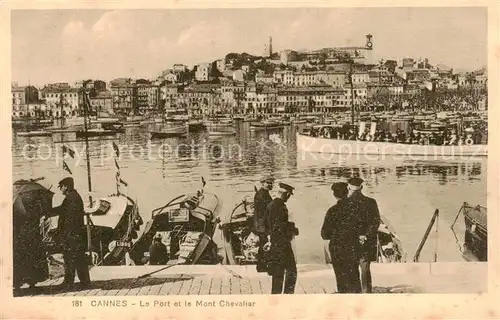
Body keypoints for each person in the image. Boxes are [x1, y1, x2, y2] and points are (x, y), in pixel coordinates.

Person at [49, 177, 91, 290]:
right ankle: (84, 282)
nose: (60, 189)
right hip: (76, 233)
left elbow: (65, 214)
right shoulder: (74, 197)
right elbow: (62, 210)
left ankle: (69, 283)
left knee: (70, 258)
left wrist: (47, 212)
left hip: (71, 234)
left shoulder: (71, 198)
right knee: (79, 258)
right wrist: (50, 211)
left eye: (61, 186)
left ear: (66, 186)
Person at [321, 182, 362, 293]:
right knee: (354, 275)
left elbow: (324, 234)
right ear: (347, 192)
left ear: (335, 195)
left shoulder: (332, 211)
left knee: (341, 277)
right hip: (353, 246)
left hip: (337, 248)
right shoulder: (356, 208)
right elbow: (361, 227)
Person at [347, 177, 380, 293]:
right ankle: (367, 293)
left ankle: (354, 293)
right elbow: (375, 222)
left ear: (348, 187)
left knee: (351, 268)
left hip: (350, 241)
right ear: (361, 187)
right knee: (365, 268)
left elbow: (344, 224)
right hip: (366, 241)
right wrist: (365, 236)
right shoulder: (371, 202)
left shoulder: (345, 203)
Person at [265, 183, 298, 294]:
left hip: (275, 243)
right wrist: (292, 228)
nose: (289, 198)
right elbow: (280, 226)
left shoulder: (271, 204)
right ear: (286, 194)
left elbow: (268, 224)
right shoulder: (280, 206)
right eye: (289, 195)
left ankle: (276, 296)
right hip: (282, 244)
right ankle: (288, 295)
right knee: (292, 271)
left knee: (277, 273)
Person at [253, 175, 275, 272]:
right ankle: (262, 266)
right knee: (265, 245)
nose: (270, 185)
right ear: (262, 183)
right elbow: (267, 210)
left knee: (263, 245)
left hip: (261, 224)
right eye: (268, 183)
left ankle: (262, 265)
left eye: (271, 183)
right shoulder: (262, 195)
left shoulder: (263, 193)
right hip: (263, 225)